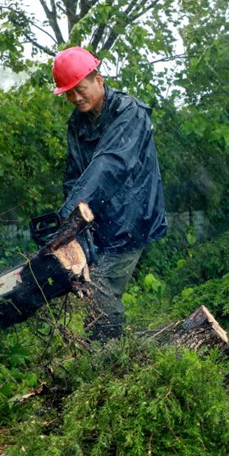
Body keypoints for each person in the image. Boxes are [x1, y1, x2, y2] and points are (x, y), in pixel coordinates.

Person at [52, 46, 167, 341]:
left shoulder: (130, 113)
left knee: (100, 288)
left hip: (133, 217)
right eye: (69, 93)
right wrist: (68, 223)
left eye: (81, 89)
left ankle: (112, 360)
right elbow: (74, 174)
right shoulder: (77, 123)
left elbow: (110, 163)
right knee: (87, 288)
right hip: (98, 222)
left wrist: (72, 209)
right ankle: (105, 355)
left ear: (99, 80)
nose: (76, 97)